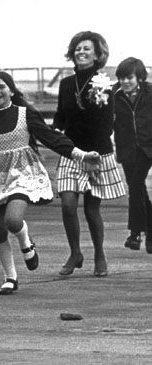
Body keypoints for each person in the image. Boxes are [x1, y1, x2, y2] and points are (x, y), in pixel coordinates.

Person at [0, 71, 101, 294]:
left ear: (11, 90)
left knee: (13, 219)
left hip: (23, 174)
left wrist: (81, 155)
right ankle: (10, 277)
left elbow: (50, 137)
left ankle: (26, 242)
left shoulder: (24, 114)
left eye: (1, 87)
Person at [53, 31, 125, 277]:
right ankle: (75, 252)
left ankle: (99, 254)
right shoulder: (65, 84)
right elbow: (60, 118)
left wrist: (92, 154)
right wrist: (52, 135)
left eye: (86, 49)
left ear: (97, 55)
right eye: (77, 49)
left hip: (97, 154)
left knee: (91, 209)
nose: (81, 52)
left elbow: (106, 124)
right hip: (72, 153)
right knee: (68, 204)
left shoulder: (103, 83)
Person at [112, 57, 152, 253]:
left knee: (136, 184)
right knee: (138, 188)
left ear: (139, 77)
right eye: (121, 78)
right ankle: (150, 234)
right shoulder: (112, 94)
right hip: (126, 148)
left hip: (148, 147)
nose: (125, 82)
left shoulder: (150, 92)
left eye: (129, 77)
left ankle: (135, 232)